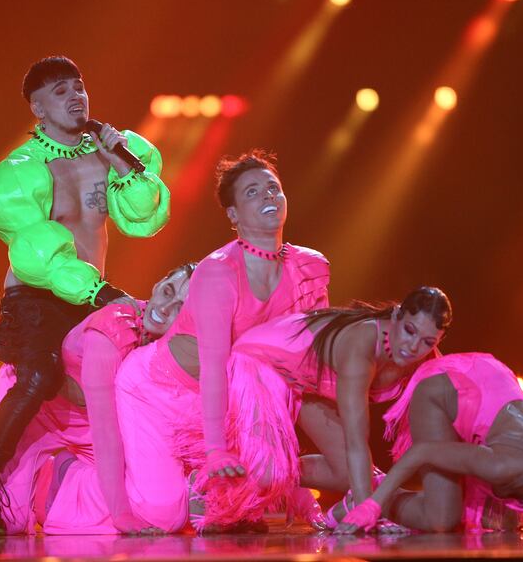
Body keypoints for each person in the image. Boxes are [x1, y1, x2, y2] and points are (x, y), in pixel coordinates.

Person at [45, 149, 330, 534]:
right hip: (144, 397)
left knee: (257, 463)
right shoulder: (213, 276)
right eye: (252, 192)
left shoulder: (308, 267)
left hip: (207, 397)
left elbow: (298, 370)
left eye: (272, 188)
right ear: (233, 214)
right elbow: (213, 368)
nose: (267, 196)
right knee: (163, 515)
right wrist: (215, 451)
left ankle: (201, 490)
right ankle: (64, 478)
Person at [0, 55, 170, 536]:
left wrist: (124, 162)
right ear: (37, 108)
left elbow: (143, 219)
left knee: (141, 374)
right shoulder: (21, 170)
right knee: (40, 375)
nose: (76, 96)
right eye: (60, 91)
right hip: (37, 297)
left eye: (78, 86)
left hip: (90, 297)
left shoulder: (109, 150)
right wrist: (99, 292)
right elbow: (36, 250)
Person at [0, 263, 193, 536]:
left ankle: (56, 478)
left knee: (136, 493)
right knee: (9, 519)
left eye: (180, 307)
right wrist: (121, 517)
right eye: (168, 291)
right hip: (39, 410)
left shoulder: (172, 347)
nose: (165, 309)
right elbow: (107, 434)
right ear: (159, 284)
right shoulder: (113, 327)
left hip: (86, 421)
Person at [180, 287, 450, 529]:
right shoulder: (361, 345)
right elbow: (357, 438)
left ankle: (303, 486)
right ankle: (204, 480)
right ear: (396, 315)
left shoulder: (427, 361)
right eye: (410, 330)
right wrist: (370, 509)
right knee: (269, 473)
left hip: (306, 381)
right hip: (261, 361)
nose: (413, 347)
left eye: (428, 341)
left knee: (346, 473)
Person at [332, 352, 523, 534]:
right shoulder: (503, 466)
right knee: (441, 519)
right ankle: (366, 493)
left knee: (493, 525)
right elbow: (423, 452)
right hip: (445, 388)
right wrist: (372, 505)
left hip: (489, 380)